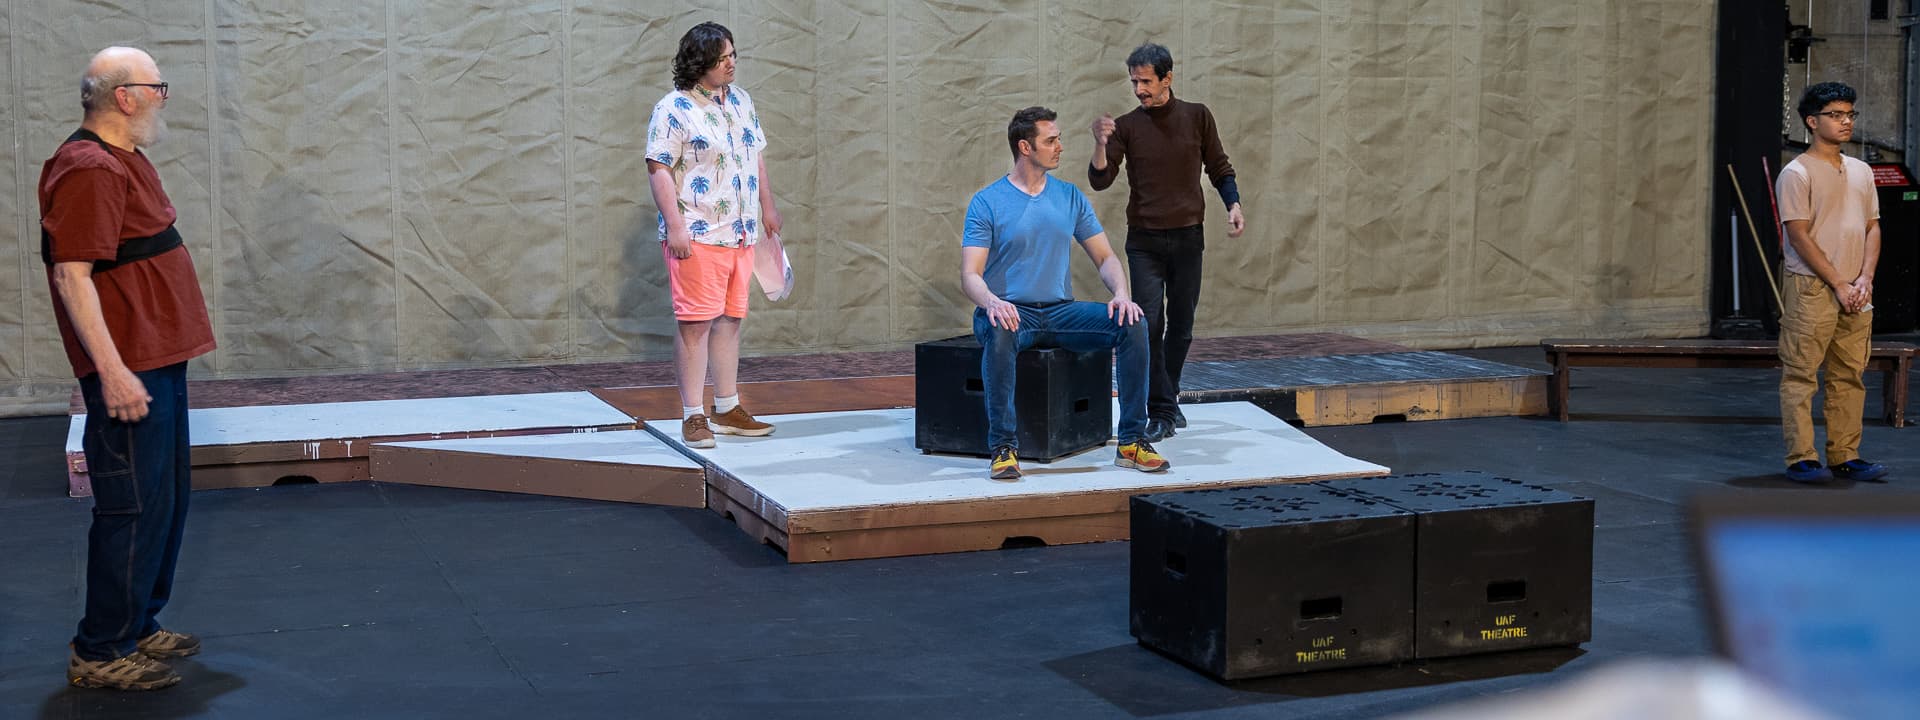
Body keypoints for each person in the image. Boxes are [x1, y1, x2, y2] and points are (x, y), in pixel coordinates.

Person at [43, 46, 215, 690]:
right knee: (131, 506)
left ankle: (137, 623)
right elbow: (73, 275)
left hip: (158, 357)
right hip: (131, 366)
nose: (163, 97)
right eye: (157, 86)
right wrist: (111, 372)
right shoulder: (88, 167)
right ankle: (100, 649)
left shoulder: (124, 157)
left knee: (164, 498)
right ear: (125, 96)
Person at [962, 106, 1169, 481]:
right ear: (1025, 147)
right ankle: (1004, 448)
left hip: (1059, 312)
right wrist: (992, 302)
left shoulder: (1069, 196)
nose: (1060, 146)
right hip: (1011, 312)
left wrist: (1121, 293)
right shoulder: (987, 201)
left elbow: (1105, 257)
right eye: (1051, 140)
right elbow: (970, 275)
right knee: (999, 329)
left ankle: (1131, 442)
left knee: (1132, 322)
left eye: (1059, 139)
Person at [1088, 42, 1244, 442]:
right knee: (1149, 323)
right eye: (1134, 82)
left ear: (1167, 78)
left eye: (1145, 81)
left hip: (1189, 236)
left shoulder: (1197, 116)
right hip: (1145, 241)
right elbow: (1101, 179)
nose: (1139, 89)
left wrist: (1233, 204)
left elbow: (1219, 166)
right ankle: (1160, 410)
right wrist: (1101, 145)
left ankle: (1167, 398)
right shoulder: (1127, 126)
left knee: (1183, 325)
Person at [646, 22, 784, 449]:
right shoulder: (674, 108)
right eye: (722, 58)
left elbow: (755, 156)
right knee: (695, 324)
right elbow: (658, 167)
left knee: (730, 320)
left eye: (732, 55)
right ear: (699, 62)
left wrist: (767, 207)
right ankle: (693, 414)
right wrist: (675, 225)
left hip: (739, 232)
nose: (731, 64)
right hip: (698, 231)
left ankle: (727, 407)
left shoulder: (741, 100)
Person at [1774, 81, 1887, 484]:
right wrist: (1839, 282)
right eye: (1835, 115)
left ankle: (1845, 455)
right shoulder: (1797, 173)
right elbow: (1799, 235)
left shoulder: (1861, 170)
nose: (1845, 122)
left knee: (1849, 374)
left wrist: (1865, 278)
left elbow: (1872, 227)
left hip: (1856, 289)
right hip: (1813, 288)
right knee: (1801, 374)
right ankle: (1801, 457)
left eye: (1849, 114)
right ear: (1812, 121)